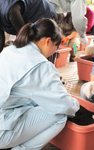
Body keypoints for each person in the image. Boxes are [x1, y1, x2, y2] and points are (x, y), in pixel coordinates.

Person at [0, 18, 79, 150]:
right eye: (56, 46)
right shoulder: (40, 66)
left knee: (35, 102)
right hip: (2, 131)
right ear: (48, 41)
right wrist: (75, 104)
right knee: (59, 115)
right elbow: (63, 105)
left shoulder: (9, 50)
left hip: (5, 110)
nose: (55, 51)